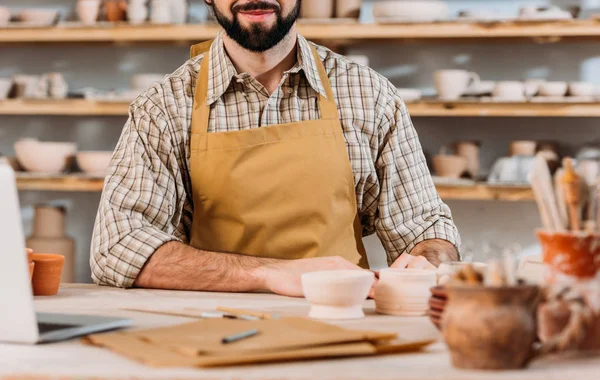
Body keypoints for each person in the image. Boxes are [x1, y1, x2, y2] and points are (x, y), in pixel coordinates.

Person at [90, 0, 461, 297]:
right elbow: (118, 248)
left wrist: (429, 260)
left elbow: (424, 229)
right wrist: (271, 274)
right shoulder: (164, 108)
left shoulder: (370, 95)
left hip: (341, 327)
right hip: (211, 332)